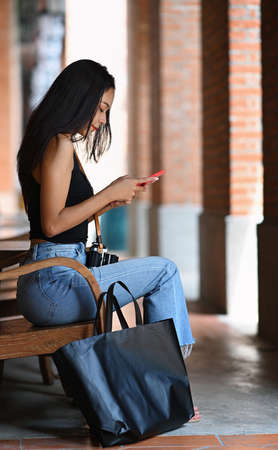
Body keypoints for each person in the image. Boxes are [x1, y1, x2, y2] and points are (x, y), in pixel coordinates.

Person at [16, 59, 200, 422]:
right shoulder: (59, 144)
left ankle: (162, 385)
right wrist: (106, 194)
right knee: (165, 271)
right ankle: (166, 389)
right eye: (100, 108)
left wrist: (110, 200)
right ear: (79, 99)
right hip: (56, 280)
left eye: (106, 111)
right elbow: (52, 225)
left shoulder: (48, 141)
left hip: (54, 275)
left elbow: (57, 217)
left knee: (160, 273)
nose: (102, 120)